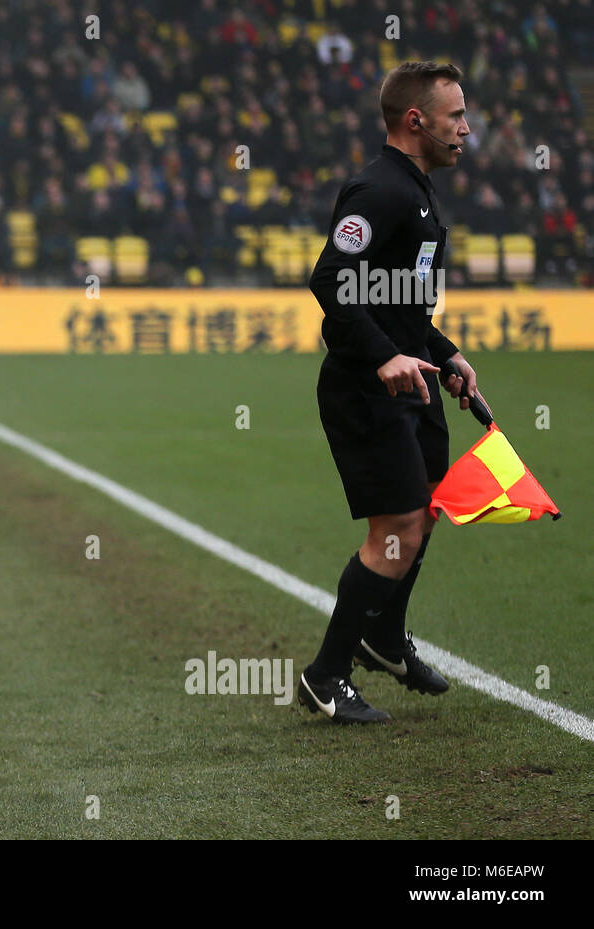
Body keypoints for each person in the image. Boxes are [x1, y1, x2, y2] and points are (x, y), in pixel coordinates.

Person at [300, 61, 482, 724]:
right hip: (365, 388)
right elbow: (332, 281)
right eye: (455, 115)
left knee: (428, 510)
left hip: (415, 382)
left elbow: (395, 304)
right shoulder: (381, 189)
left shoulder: (420, 191)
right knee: (397, 527)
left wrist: (443, 352)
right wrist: (383, 358)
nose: (466, 127)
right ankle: (326, 675)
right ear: (417, 120)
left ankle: (383, 636)